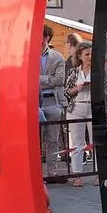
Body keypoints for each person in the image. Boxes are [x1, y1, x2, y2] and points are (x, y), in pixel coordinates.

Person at [64, 42, 97, 187]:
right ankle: (78, 175)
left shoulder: (100, 70)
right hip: (76, 108)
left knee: (96, 142)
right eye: (87, 54)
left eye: (91, 54)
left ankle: (98, 174)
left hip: (94, 108)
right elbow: (66, 92)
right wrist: (76, 89)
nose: (90, 57)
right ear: (80, 56)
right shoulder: (74, 72)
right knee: (77, 142)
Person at [39, 26, 66, 177]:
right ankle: (36, 174)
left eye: (43, 36)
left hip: (53, 101)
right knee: (35, 140)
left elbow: (60, 80)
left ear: (48, 38)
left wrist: (39, 80)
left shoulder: (57, 57)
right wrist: (48, 80)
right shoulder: (27, 56)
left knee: (52, 139)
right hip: (34, 102)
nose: (40, 40)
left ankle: (52, 172)